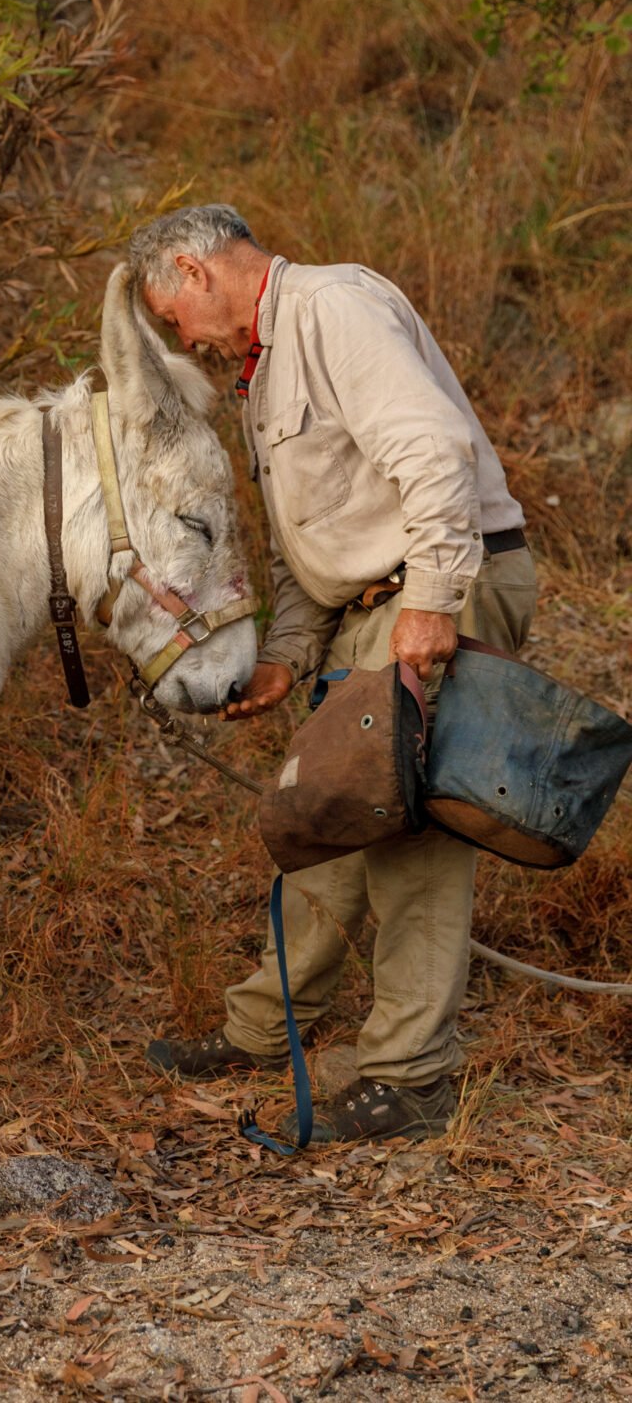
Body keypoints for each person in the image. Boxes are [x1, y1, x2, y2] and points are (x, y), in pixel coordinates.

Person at [130, 204, 537, 1143]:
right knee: (329, 810)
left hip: (438, 585)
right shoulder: (263, 363)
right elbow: (313, 532)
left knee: (411, 836)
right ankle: (265, 1029)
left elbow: (432, 451)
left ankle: (412, 1078)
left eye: (172, 316)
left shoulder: (334, 308)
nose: (179, 338)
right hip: (374, 602)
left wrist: (434, 598)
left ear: (196, 272)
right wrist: (285, 658)